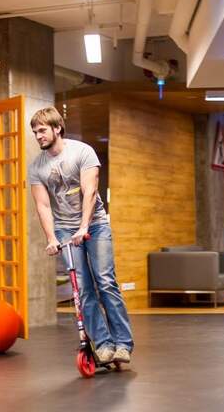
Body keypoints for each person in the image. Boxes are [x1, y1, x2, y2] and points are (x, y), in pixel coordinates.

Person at [28, 106, 134, 364]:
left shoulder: (82, 152)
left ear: (57, 128)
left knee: (105, 281)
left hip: (95, 224)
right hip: (65, 229)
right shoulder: (37, 167)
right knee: (82, 289)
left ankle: (123, 344)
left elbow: (90, 191)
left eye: (42, 130)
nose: (38, 136)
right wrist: (52, 238)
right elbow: (43, 205)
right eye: (35, 132)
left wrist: (84, 226)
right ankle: (104, 345)